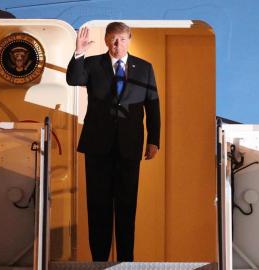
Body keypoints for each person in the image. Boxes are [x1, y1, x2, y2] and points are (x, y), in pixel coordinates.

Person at [66, 22, 160, 262]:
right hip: (98, 145)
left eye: (122, 39)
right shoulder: (92, 63)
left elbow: (153, 105)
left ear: (129, 39)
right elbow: (73, 79)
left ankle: (126, 262)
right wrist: (79, 52)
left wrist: (154, 140)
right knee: (98, 206)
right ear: (107, 40)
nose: (117, 45)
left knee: (127, 206)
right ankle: (99, 261)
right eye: (113, 40)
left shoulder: (145, 68)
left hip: (129, 145)